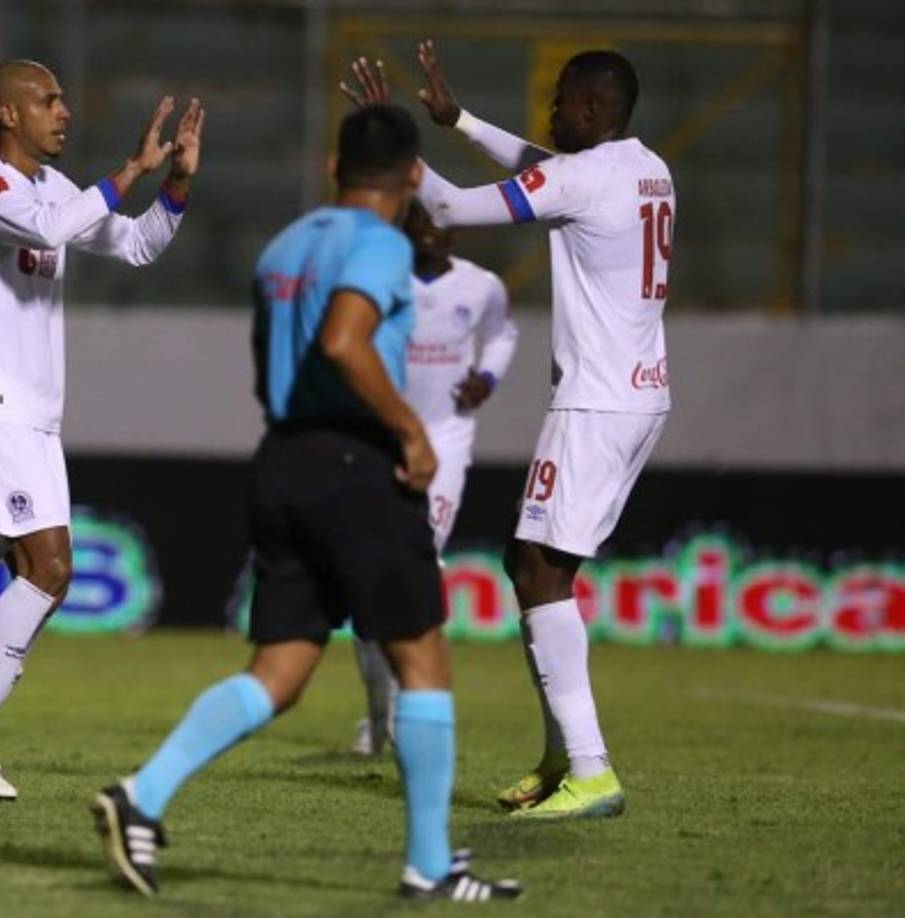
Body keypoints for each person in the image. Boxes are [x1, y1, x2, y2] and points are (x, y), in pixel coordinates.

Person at [89, 104, 521, 903]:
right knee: (422, 654)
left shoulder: (285, 245)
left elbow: (274, 362)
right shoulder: (382, 245)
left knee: (280, 671)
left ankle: (141, 795)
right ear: (412, 176)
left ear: (333, 168)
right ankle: (429, 864)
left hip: (284, 458)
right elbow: (342, 342)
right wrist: (410, 434)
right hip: (357, 462)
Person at [344, 43, 674, 820]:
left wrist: (392, 140)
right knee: (528, 560)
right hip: (639, 394)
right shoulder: (644, 167)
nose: (551, 112)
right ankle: (563, 759)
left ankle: (589, 771)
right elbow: (543, 169)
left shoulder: (580, 177)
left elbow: (455, 208)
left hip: (595, 403)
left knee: (537, 573)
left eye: (561, 100)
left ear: (592, 109)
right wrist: (459, 121)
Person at [0, 60, 203, 800]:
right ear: (9, 114)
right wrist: (129, 168)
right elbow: (45, 229)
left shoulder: (58, 189)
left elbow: (135, 246)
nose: (64, 111)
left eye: (65, 99)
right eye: (48, 101)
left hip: (38, 415)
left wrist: (174, 183)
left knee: (40, 577)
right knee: (49, 569)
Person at [352, 199, 518, 757]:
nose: (431, 228)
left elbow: (503, 335)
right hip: (383, 440)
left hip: (446, 441)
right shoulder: (381, 281)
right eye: (421, 218)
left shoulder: (482, 287)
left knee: (417, 560)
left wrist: (488, 378)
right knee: (367, 586)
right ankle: (377, 713)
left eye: (443, 220)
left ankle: (406, 706)